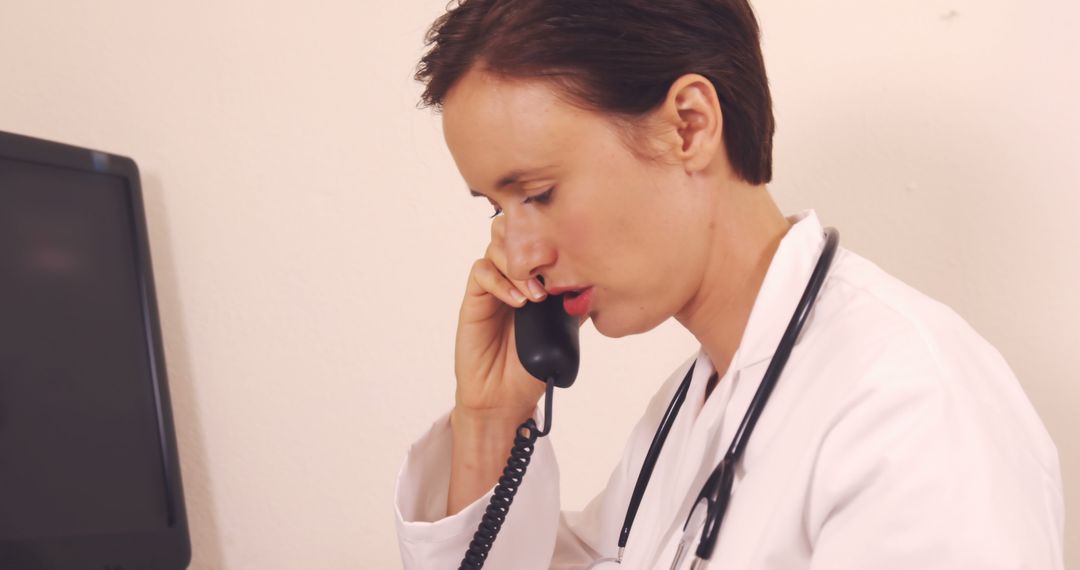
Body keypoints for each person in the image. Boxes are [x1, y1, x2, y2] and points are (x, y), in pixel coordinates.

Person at [393, 1, 1066, 568]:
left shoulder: (910, 407)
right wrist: (488, 422)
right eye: (496, 207)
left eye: (537, 193)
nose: (518, 253)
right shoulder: (682, 418)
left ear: (689, 125)